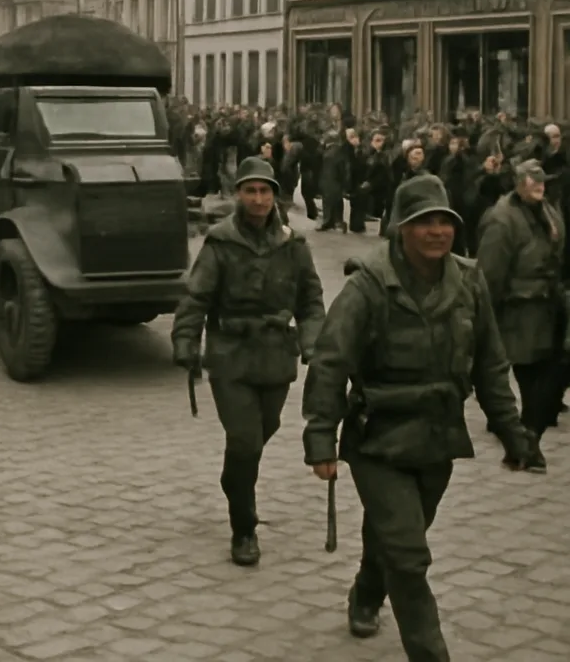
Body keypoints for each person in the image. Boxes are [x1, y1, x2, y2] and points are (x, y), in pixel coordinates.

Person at [302, 174, 536, 661]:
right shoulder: (368, 284)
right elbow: (331, 361)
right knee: (409, 556)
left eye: (444, 222)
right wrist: (320, 438)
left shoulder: (469, 281)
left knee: (398, 534)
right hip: (378, 439)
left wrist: (514, 435)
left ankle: (367, 592)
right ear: (399, 229)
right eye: (423, 222)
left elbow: (491, 363)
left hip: (437, 438)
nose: (437, 231)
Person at [171, 156, 325, 566]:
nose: (258, 199)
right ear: (238, 194)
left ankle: (234, 478)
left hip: (276, 355)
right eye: (250, 190)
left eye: (265, 191)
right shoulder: (221, 242)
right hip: (231, 355)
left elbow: (311, 301)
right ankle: (244, 528)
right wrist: (186, 339)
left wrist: (314, 343)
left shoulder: (293, 244)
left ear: (275, 195)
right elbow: (196, 297)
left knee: (263, 430)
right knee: (245, 439)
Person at [475, 160, 563, 470]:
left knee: (549, 376)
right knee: (531, 377)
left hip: (549, 307)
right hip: (518, 311)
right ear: (518, 184)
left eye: (541, 181)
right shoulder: (503, 220)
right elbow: (490, 274)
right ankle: (525, 442)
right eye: (532, 181)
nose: (539, 186)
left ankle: (524, 440)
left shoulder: (548, 212)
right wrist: (485, 316)